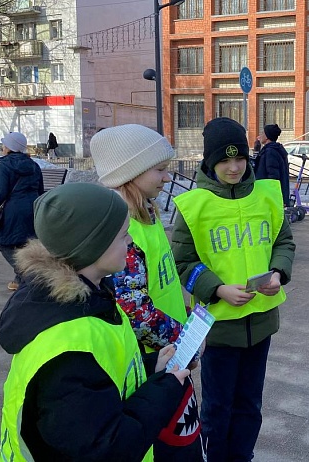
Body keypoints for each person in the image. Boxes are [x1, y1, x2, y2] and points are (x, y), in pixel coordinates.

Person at [0, 182, 190, 461]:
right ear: (94, 246)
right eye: (124, 235)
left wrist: (151, 366)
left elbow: (101, 383)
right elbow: (107, 447)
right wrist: (166, 389)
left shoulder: (88, 297)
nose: (131, 242)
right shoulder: (68, 348)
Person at [171, 117, 295, 462]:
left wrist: (278, 272)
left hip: (261, 323)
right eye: (224, 160)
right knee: (217, 407)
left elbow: (284, 242)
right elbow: (184, 263)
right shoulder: (193, 205)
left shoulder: (267, 194)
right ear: (210, 162)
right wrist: (218, 289)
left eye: (239, 158)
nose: (234, 167)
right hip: (218, 327)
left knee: (250, 405)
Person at [90, 124, 204, 461]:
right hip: (150, 366)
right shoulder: (121, 230)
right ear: (131, 172)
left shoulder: (147, 215)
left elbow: (160, 280)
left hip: (170, 356)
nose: (167, 177)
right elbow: (137, 312)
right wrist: (186, 339)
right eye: (160, 169)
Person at [0, 131, 44, 291]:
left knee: (5, 244)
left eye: (5, 144)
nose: (3, 147)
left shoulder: (3, 166)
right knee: (26, 244)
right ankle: (19, 280)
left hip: (12, 211)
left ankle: (27, 276)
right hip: (32, 209)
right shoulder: (34, 165)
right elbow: (40, 190)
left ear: (9, 147)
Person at [254, 123, 290, 207]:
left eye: (262, 133)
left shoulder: (270, 151)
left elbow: (273, 176)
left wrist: (273, 197)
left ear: (267, 137)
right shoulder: (275, 149)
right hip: (271, 195)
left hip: (269, 195)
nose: (260, 136)